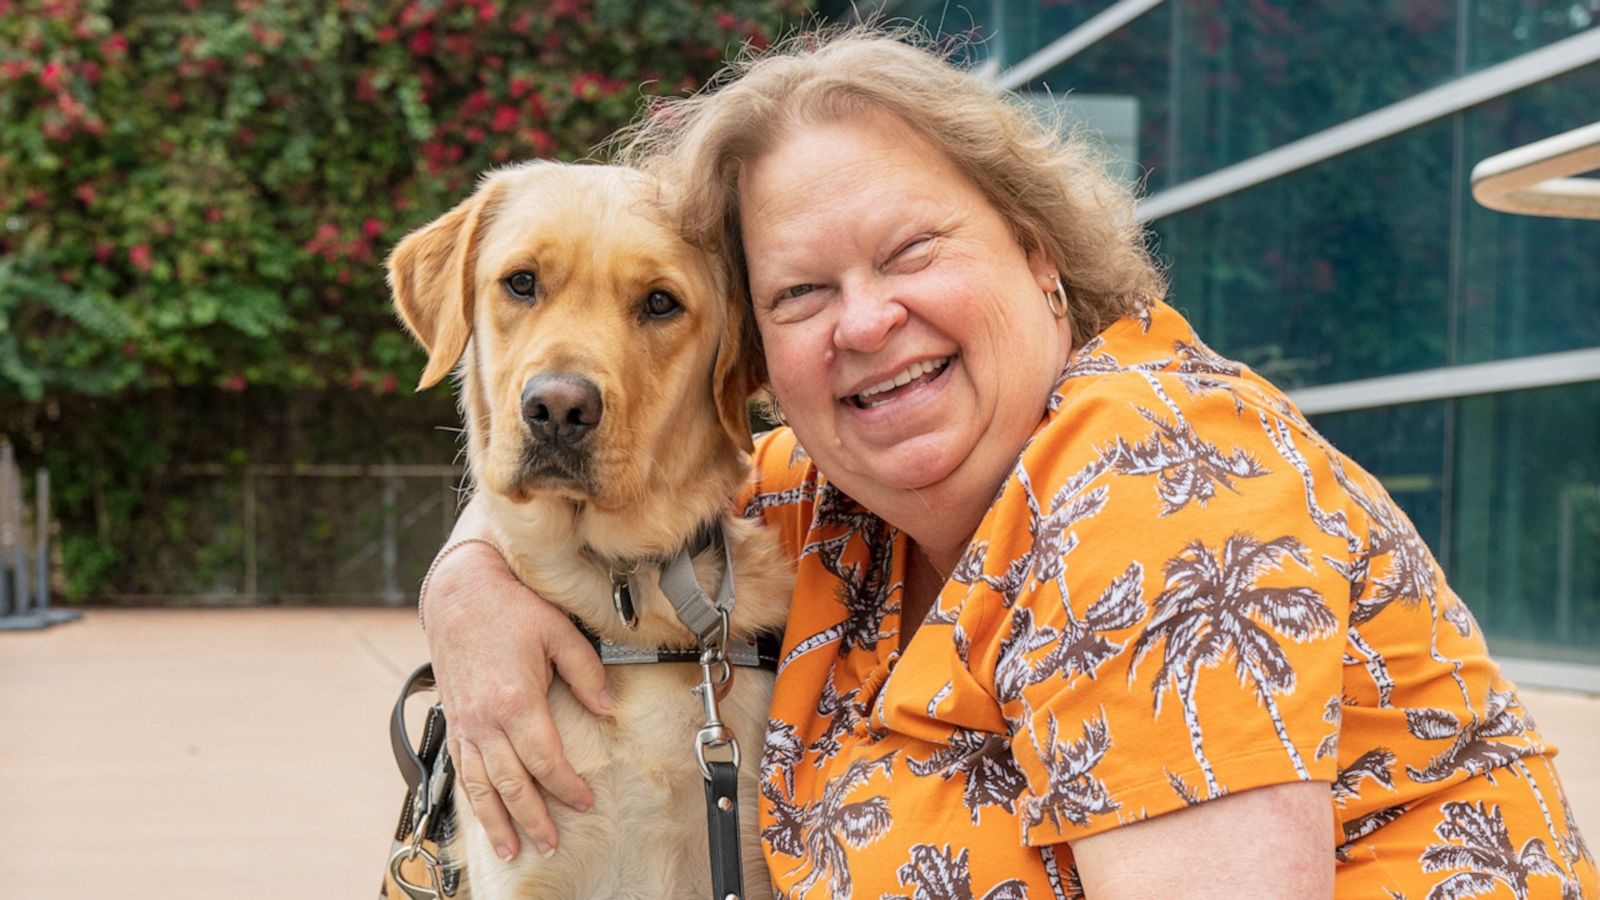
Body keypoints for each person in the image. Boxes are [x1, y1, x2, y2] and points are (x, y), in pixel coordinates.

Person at [416, 29, 1597, 898]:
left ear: (1038, 253)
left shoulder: (1161, 489)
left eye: (911, 250)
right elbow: (612, 474)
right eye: (803, 291)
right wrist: (467, 582)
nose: (866, 321)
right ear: (755, 354)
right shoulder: (832, 501)